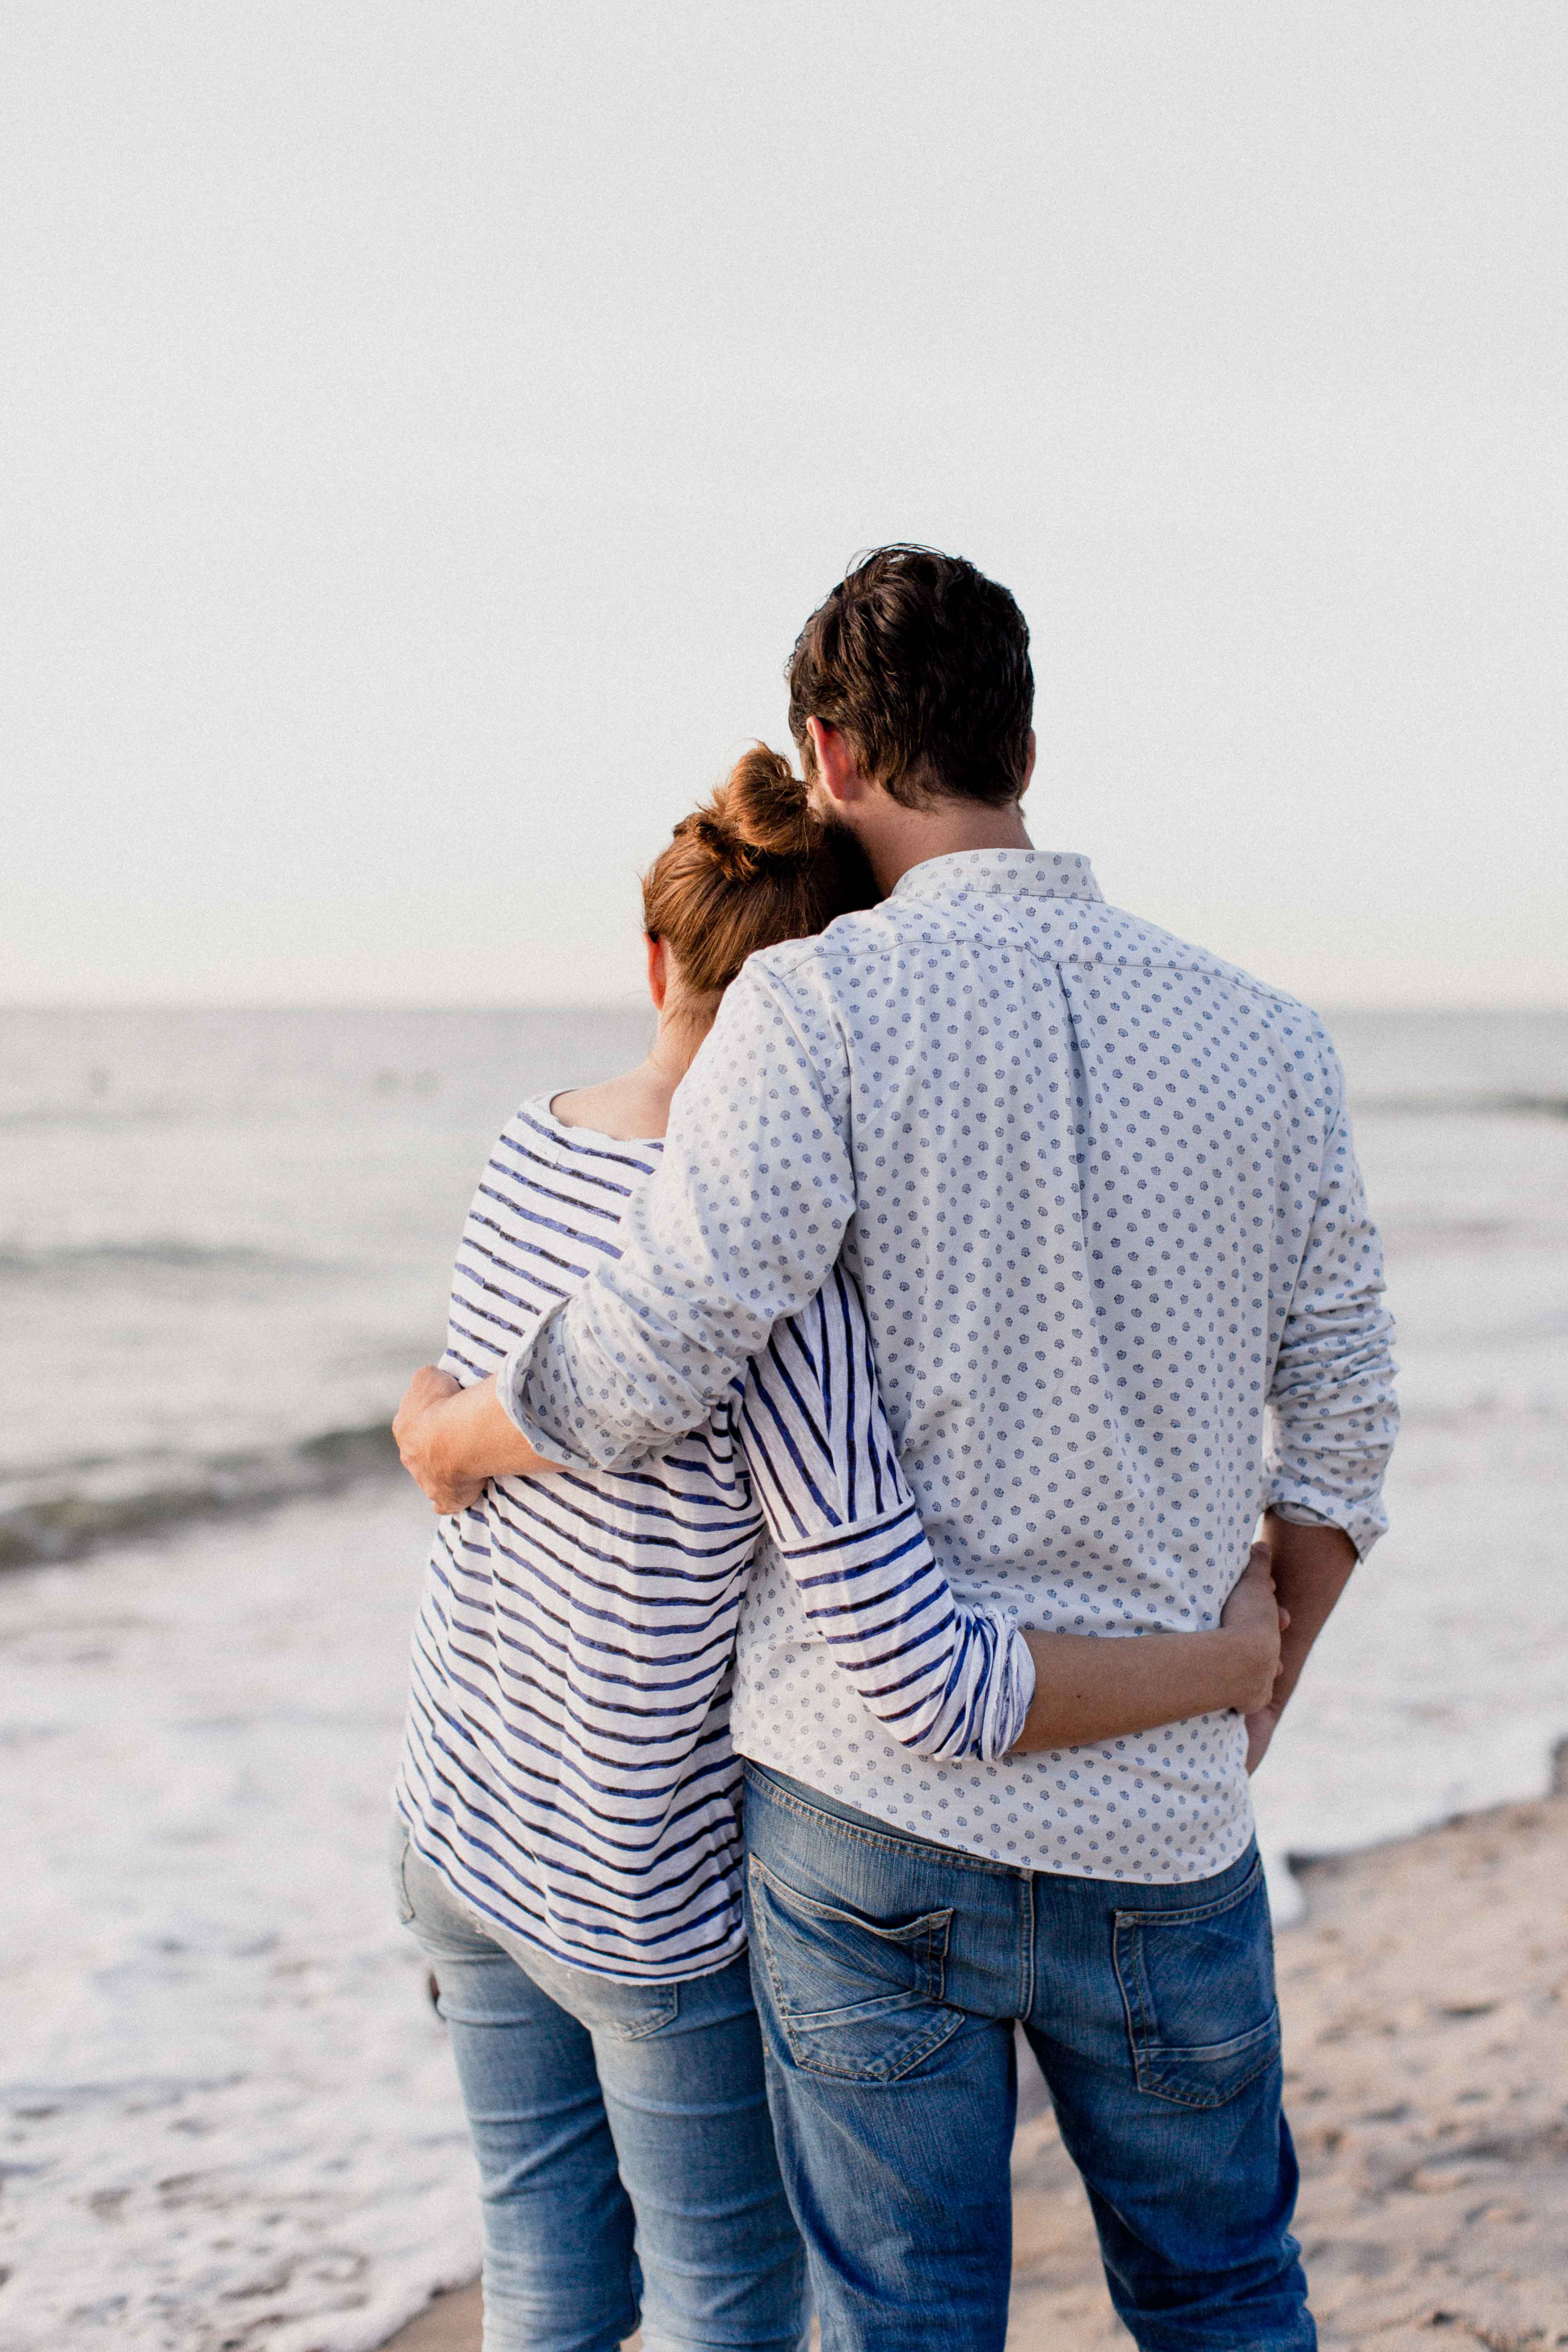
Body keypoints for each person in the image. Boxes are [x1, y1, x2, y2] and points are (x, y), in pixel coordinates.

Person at [408, 548, 1400, 2352]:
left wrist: (464, 1432)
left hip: (867, 1818)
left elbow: (655, 1347)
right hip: (1162, 1821)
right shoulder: (1267, 1040)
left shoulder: (816, 1009)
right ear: (1023, 741)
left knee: (906, 2321)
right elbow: (1339, 1421)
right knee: (1225, 2295)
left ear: (830, 751)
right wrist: (1256, 1676)